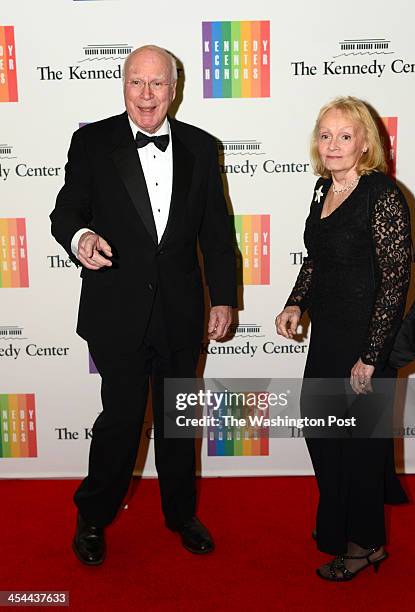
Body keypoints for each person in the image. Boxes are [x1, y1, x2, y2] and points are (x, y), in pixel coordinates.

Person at [50, 45, 237, 565]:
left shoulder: (202, 146)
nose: (147, 95)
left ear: (174, 89)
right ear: (123, 85)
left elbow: (218, 235)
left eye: (158, 84)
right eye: (137, 82)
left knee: (178, 420)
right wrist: (81, 237)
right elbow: (65, 211)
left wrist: (222, 297)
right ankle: (93, 517)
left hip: (180, 311)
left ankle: (181, 514)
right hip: (117, 311)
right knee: (122, 418)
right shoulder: (92, 142)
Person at [275, 96, 411, 581]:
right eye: (325, 135)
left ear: (365, 143)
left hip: (365, 341)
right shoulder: (320, 190)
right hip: (328, 336)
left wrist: (371, 357)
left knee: (358, 448)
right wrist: (296, 303)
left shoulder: (383, 196)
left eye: (345, 136)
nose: (332, 145)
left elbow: (395, 282)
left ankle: (364, 544)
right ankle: (340, 526)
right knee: (322, 434)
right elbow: (316, 259)